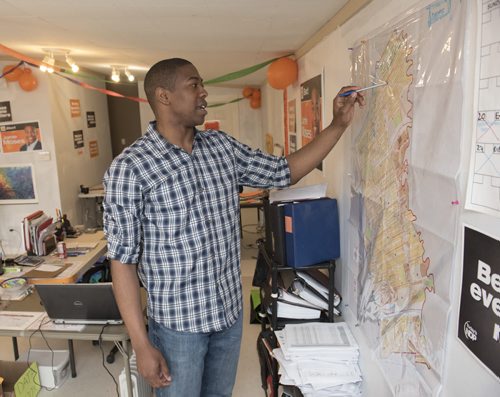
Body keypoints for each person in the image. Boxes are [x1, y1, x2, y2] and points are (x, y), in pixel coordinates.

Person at [103, 58, 364, 397]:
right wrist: (140, 343)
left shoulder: (221, 148)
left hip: (228, 315)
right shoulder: (130, 168)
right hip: (178, 327)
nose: (204, 92)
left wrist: (338, 125)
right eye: (193, 85)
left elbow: (285, 171)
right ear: (164, 96)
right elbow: (122, 261)